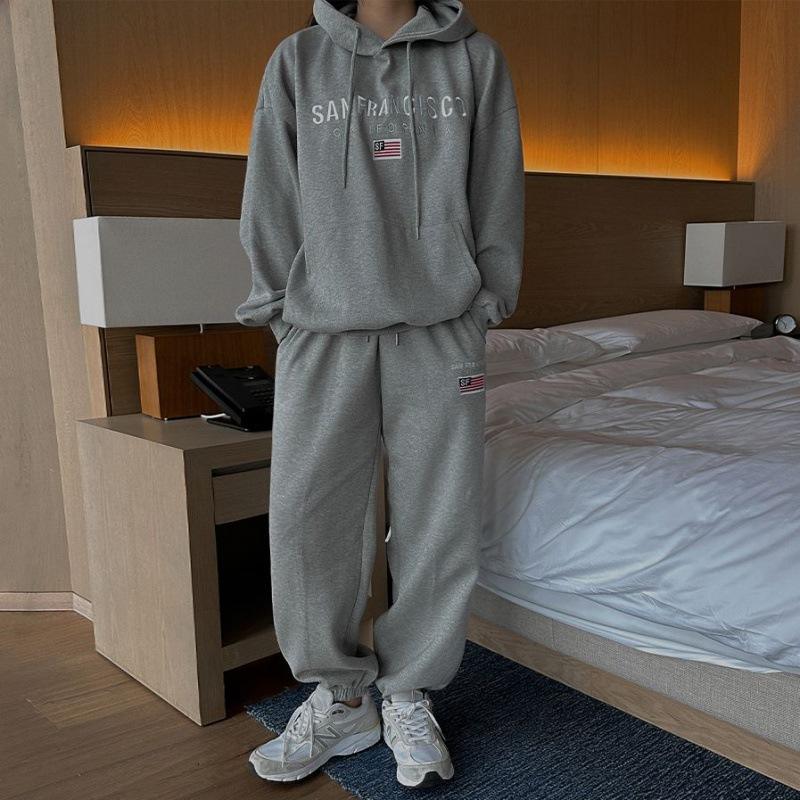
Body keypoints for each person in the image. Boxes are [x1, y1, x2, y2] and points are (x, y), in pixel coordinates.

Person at [235, 0, 524, 788]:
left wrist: (485, 301)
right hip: (321, 329)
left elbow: (498, 185)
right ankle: (340, 697)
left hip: (441, 329)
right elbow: (271, 188)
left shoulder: (476, 60)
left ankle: (408, 692)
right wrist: (277, 310)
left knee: (438, 520)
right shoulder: (298, 59)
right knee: (306, 518)